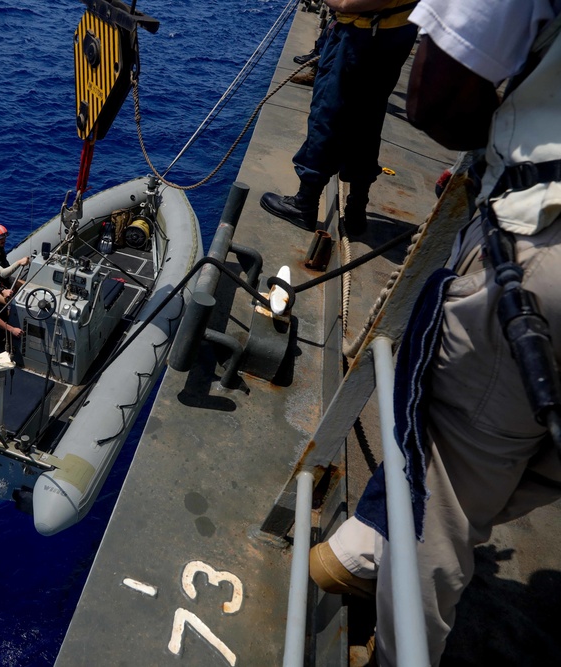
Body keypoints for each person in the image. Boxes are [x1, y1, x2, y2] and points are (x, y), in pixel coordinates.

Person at [310, 2, 561, 664]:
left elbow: (440, 95)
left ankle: (399, 650)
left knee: (441, 483)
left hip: (544, 242)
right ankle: (365, 547)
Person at [260, 0, 419, 235]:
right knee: (368, 118)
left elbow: (350, 3)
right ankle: (356, 207)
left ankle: (305, 203)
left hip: (363, 34)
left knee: (329, 113)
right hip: (393, 30)